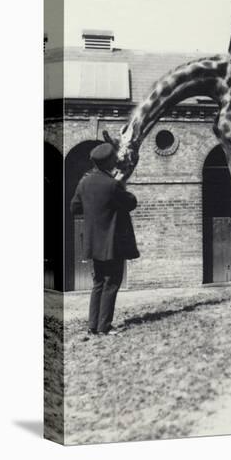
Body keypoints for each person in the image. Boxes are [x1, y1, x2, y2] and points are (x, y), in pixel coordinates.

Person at [70, 143, 139, 336]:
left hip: (93, 243)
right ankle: (104, 327)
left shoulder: (84, 182)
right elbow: (131, 203)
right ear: (109, 162)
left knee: (98, 283)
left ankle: (93, 326)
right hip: (112, 244)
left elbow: (74, 208)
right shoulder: (112, 184)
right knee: (111, 283)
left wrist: (94, 209)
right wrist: (122, 185)